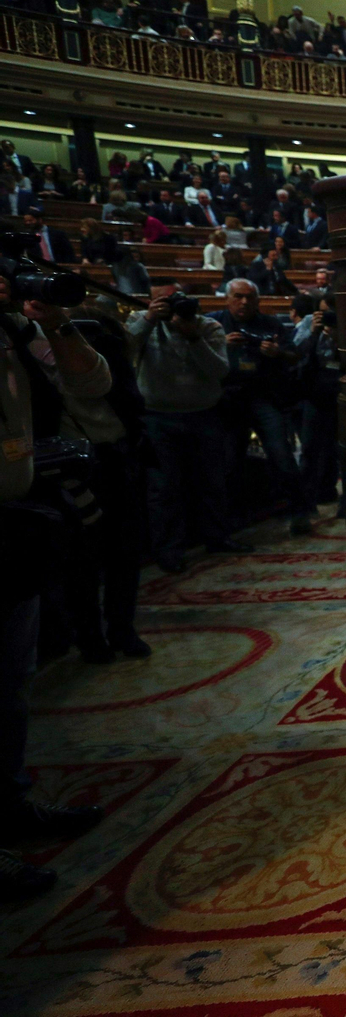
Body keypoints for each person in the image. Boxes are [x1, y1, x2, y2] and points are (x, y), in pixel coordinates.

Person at [0, 272, 111, 901]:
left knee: (10, 685)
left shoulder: (18, 330)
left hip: (13, 522)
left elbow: (92, 381)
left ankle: (10, 807)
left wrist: (53, 322)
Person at [127, 286, 251, 573]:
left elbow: (220, 370)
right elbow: (125, 348)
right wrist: (148, 319)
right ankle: (168, 550)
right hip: (158, 417)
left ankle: (217, 537)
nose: (175, 306)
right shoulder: (141, 321)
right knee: (164, 487)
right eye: (166, 301)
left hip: (203, 415)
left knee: (212, 481)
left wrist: (193, 336)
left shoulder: (208, 326)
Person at [58, 302, 148, 665]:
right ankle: (92, 636)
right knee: (84, 557)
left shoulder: (113, 356)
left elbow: (128, 402)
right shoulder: (49, 352)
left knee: (123, 552)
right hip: (74, 462)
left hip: (116, 457)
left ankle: (120, 629)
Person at [208, 279, 314, 535]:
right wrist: (219, 344)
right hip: (227, 398)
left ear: (257, 300)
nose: (244, 302)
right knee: (230, 461)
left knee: (282, 455)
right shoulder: (212, 323)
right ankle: (234, 519)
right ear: (227, 298)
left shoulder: (271, 324)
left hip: (264, 397)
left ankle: (299, 512)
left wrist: (277, 353)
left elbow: (294, 355)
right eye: (238, 296)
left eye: (249, 297)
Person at [293, 295, 342, 507]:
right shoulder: (308, 323)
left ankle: (328, 490)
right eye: (323, 313)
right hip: (314, 392)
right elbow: (296, 351)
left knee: (335, 447)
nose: (327, 317)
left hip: (340, 392)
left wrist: (340, 337)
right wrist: (314, 332)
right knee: (310, 447)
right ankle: (307, 497)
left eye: (331, 313)